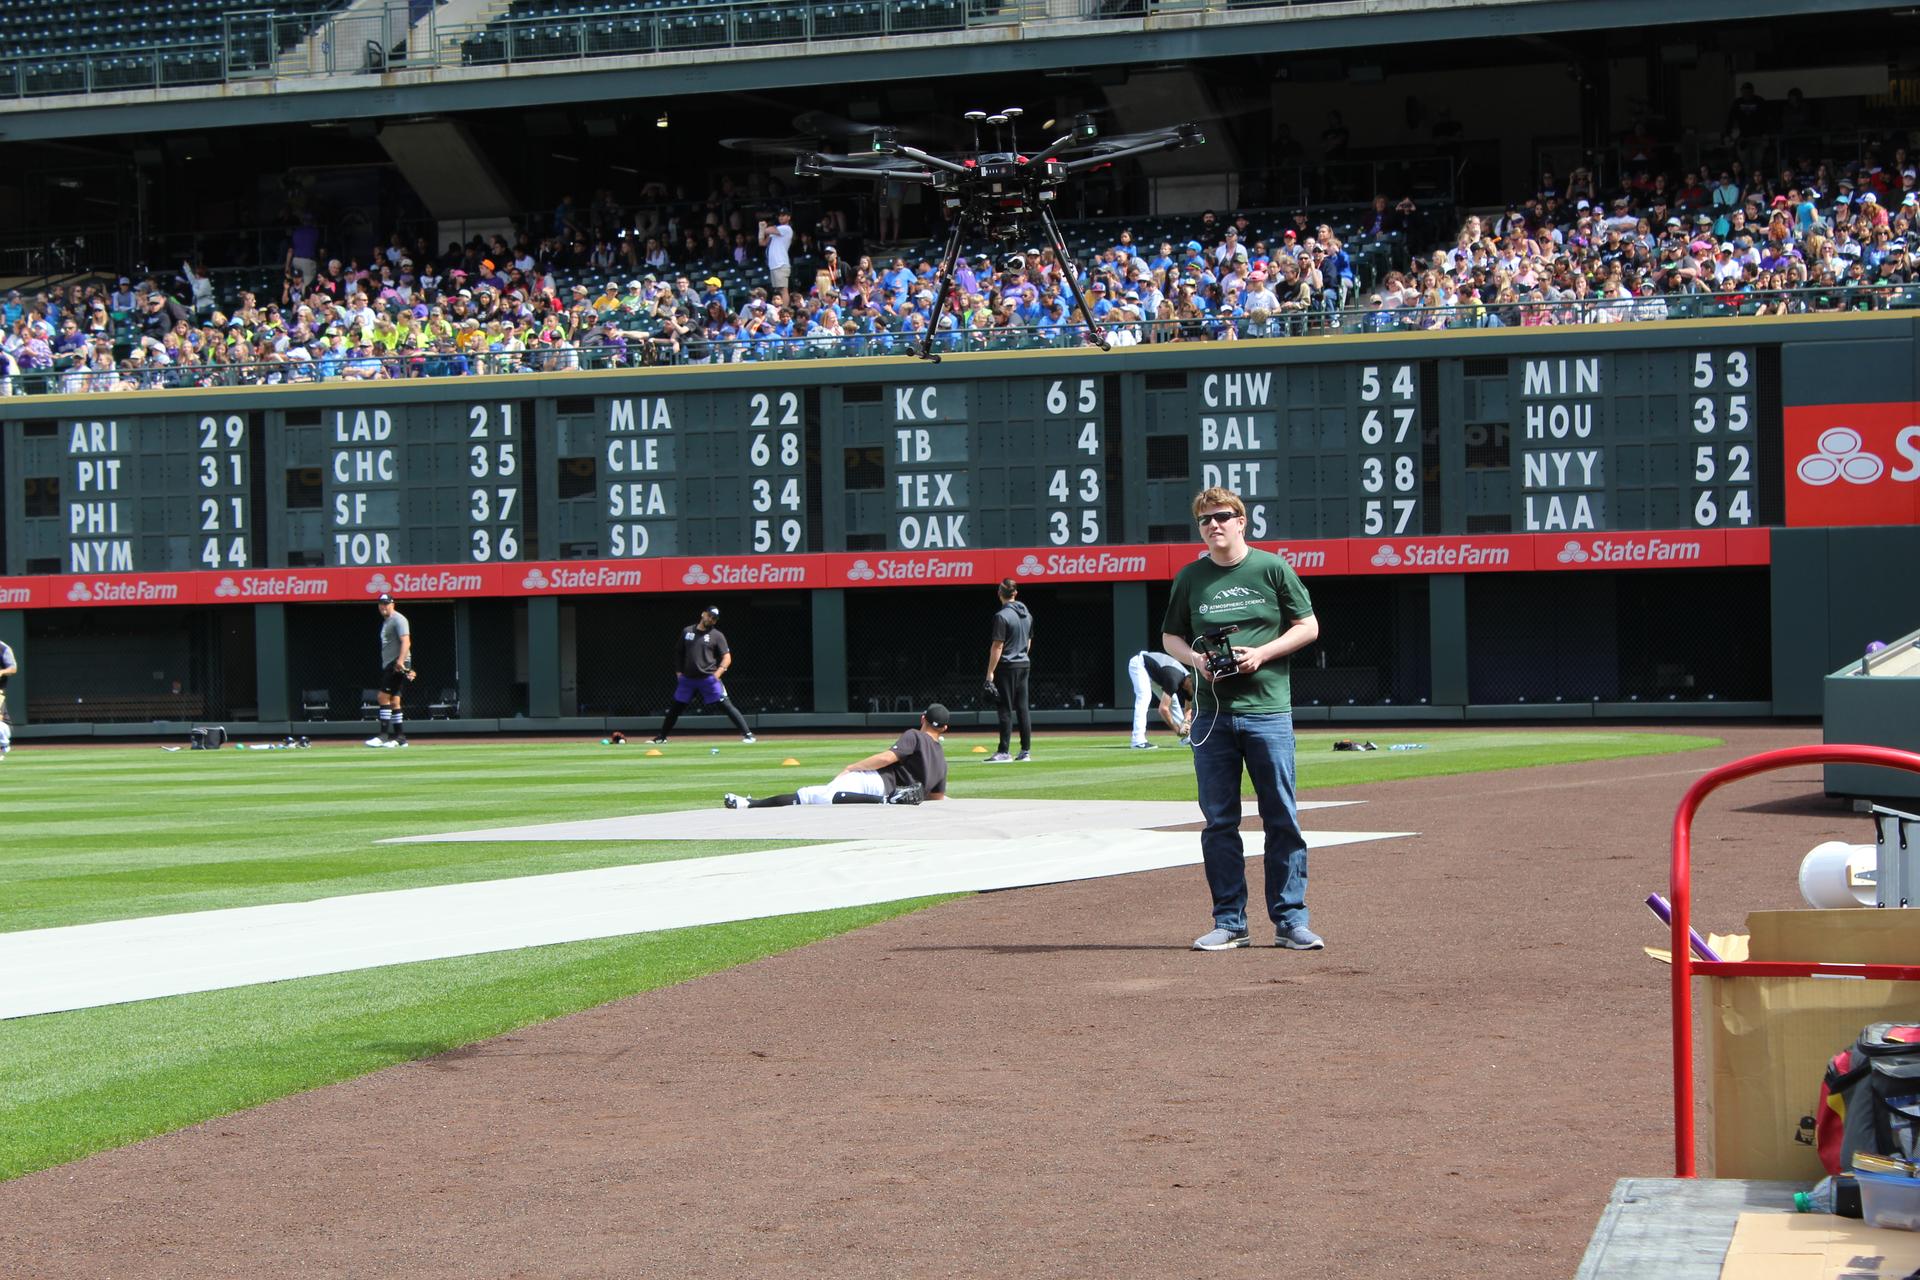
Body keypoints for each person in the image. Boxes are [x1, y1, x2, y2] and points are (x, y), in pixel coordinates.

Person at [1160, 486, 1323, 953]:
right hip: (1213, 718)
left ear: (1241, 521)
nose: (1214, 525)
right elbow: (1171, 636)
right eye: (1205, 519)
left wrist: (1262, 654)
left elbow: (1308, 626)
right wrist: (1196, 659)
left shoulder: (1272, 568)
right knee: (1219, 823)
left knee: (1282, 818)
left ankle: (1291, 920)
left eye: (1222, 516)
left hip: (1268, 712)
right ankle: (1230, 921)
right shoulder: (1191, 577)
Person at [724, 705, 948, 808]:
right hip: (891, 789)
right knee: (816, 797)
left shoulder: (915, 736)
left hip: (876, 783)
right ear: (944, 728)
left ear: (922, 718)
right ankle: (749, 803)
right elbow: (936, 797)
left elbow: (886, 758)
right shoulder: (942, 762)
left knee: (812, 796)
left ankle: (748, 804)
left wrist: (852, 767)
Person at [652, 605, 756, 744]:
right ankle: (662, 737)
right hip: (688, 679)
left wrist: (717, 675)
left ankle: (748, 735)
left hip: (708, 678)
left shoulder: (717, 635)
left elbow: (727, 657)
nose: (711, 619)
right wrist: (678, 672)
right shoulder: (687, 631)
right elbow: (678, 653)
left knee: (726, 705)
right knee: (676, 708)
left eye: (714, 618)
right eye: (709, 616)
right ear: (703, 614)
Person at [982, 577, 1033, 763]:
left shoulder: (1001, 616)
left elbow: (997, 646)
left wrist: (990, 673)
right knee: (1023, 709)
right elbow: (1028, 641)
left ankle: (1004, 751)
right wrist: (1021, 655)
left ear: (999, 594)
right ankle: (1025, 751)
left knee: (1004, 708)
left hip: (1007, 666)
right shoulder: (1027, 614)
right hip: (1023, 663)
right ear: (1015, 593)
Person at [366, 593, 413, 748]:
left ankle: (383, 736)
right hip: (392, 663)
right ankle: (401, 738)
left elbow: (406, 641)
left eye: (386, 603)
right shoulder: (387, 621)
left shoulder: (398, 619)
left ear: (393, 604)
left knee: (382, 697)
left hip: (396, 663)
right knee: (394, 700)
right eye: (380, 603)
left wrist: (400, 661)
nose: (383, 606)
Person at [1126, 649, 1192, 750]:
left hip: (1153, 671)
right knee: (1144, 697)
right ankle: (1138, 740)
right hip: (1140, 664)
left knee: (1173, 700)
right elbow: (1163, 709)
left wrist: (1186, 723)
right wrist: (1176, 729)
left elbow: (1188, 709)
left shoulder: (1189, 683)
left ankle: (1185, 737)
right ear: (1190, 681)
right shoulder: (1174, 679)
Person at [758, 209, 794, 298]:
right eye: (780, 215)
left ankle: (784, 310)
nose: (781, 217)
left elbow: (767, 230)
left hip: (781, 263)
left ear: (789, 217)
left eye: (784, 215)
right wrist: (761, 229)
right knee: (778, 291)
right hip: (774, 264)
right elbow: (762, 242)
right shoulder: (775, 231)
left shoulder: (786, 228)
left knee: (783, 290)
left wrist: (763, 228)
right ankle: (780, 309)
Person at [0, 635, 15, 762]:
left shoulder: (3, 648)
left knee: (1, 723)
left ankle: (3, 744)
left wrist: (2, 672)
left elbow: (13, 668)